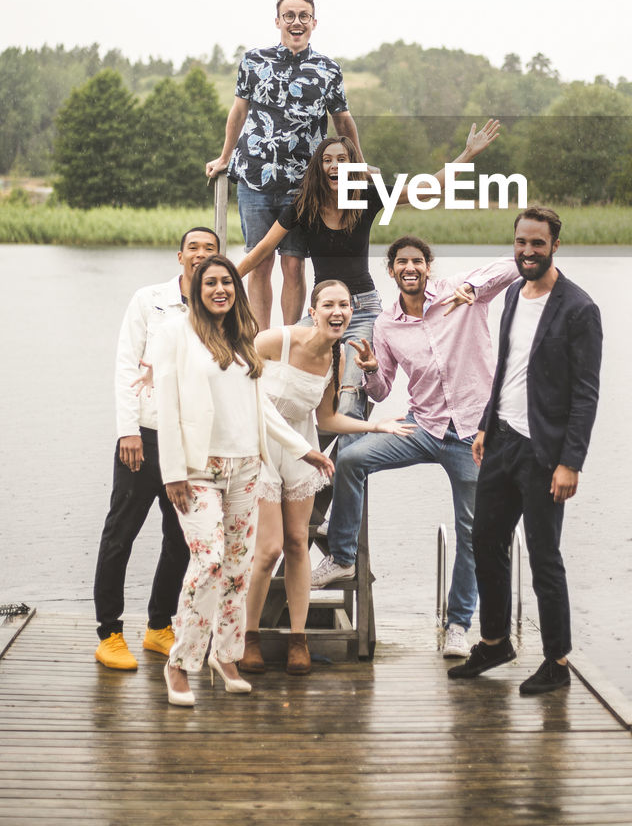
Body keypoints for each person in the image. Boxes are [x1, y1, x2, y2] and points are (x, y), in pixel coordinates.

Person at [311, 235, 519, 659]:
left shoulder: (460, 295)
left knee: (471, 532)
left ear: (428, 266)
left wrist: (477, 289)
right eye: (401, 261)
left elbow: (514, 265)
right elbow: (383, 388)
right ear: (391, 270)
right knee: (351, 458)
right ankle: (343, 555)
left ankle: (458, 625)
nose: (410, 267)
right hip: (421, 426)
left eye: (417, 261)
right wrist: (369, 371)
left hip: (472, 435)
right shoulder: (386, 325)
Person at [154, 254, 334, 706]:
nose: (220, 289)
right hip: (198, 471)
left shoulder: (241, 338)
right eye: (210, 282)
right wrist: (172, 472)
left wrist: (303, 449)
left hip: (246, 470)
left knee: (236, 569)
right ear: (196, 288)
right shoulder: (177, 333)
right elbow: (167, 406)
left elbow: (263, 409)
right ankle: (179, 663)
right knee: (210, 561)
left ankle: (227, 654)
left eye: (227, 282)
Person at [236, 121, 500, 428]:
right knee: (284, 367)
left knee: (350, 393)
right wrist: (214, 281)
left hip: (362, 311)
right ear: (320, 168)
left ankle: (342, 465)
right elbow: (261, 251)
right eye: (327, 160)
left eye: (342, 160)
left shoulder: (367, 196)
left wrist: (467, 153)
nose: (334, 165)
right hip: (321, 311)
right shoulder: (303, 205)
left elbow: (426, 189)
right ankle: (297, 451)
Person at [448, 207, 602, 695]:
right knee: (484, 542)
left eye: (537, 243)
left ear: (555, 244)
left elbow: (586, 394)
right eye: (521, 242)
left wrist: (570, 462)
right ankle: (494, 642)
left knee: (544, 557)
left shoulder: (579, 309)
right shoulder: (514, 292)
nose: (527, 252)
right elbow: (506, 367)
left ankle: (556, 661)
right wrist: (485, 427)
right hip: (503, 440)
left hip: (545, 453)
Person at [239, 280, 415, 676]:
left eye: (345, 306)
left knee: (298, 542)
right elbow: (238, 383)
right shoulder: (277, 341)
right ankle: (249, 635)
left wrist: (375, 428)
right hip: (261, 446)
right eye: (329, 305)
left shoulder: (335, 359)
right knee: (268, 549)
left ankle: (297, 639)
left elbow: (325, 420)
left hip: (303, 451)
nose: (338, 313)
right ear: (313, 310)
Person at [92, 226, 220, 671]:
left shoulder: (217, 305)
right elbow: (127, 363)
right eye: (194, 248)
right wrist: (127, 429)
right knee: (120, 535)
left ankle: (158, 626)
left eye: (210, 249)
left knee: (181, 538)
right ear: (179, 256)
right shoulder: (149, 300)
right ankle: (109, 633)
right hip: (143, 437)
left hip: (187, 443)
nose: (201, 255)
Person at [205, 0, 364, 329]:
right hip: (254, 178)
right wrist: (224, 157)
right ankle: (263, 341)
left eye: (303, 16)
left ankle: (291, 338)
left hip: (304, 185)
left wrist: (358, 166)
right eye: (289, 16)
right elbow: (238, 111)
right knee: (259, 262)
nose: (296, 22)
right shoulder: (253, 61)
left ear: (314, 23)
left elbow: (342, 120)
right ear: (278, 21)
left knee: (294, 264)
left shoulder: (327, 69)